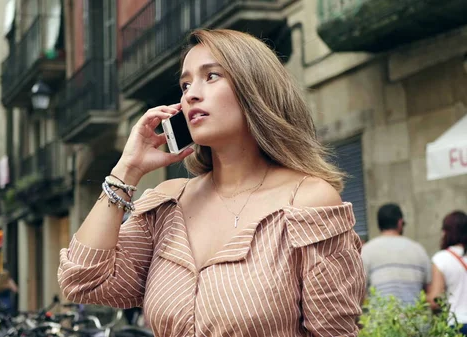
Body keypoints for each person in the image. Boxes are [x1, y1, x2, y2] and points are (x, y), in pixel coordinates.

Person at [58, 28, 365, 336]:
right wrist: (127, 170)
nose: (190, 94)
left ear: (254, 88)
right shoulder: (168, 203)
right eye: (185, 84)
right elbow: (83, 280)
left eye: (212, 76)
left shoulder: (308, 202)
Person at [361, 203, 431, 304]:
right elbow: (429, 291)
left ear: (379, 224)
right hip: (414, 317)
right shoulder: (419, 250)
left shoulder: (366, 251)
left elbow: (359, 292)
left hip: (380, 318)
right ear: (400, 222)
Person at [428, 211, 467, 335]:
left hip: (456, 324)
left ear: (446, 232)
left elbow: (436, 300)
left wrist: (426, 298)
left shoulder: (441, 259)